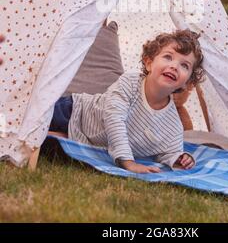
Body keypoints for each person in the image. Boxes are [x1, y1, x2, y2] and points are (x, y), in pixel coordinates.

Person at [49, 29, 205, 173]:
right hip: (74, 112)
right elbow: (114, 118)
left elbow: (166, 151)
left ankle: (57, 137)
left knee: (51, 149)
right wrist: (128, 162)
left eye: (184, 65)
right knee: (33, 119)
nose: (174, 66)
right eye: (168, 57)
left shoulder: (172, 124)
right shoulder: (129, 83)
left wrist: (178, 158)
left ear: (187, 82)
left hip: (87, 143)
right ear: (149, 62)